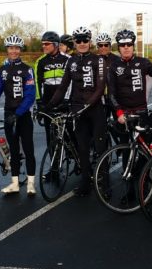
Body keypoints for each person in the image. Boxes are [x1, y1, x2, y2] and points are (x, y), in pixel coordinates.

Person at [46, 26, 107, 196]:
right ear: (74, 42)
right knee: (82, 149)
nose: (81, 43)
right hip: (77, 110)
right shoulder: (71, 61)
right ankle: (85, 183)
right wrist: (48, 105)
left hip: (95, 110)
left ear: (90, 41)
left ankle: (105, 183)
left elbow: (100, 87)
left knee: (101, 147)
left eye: (84, 40)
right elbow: (63, 86)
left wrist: (87, 105)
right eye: (78, 40)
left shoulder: (99, 60)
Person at [0, 35, 37, 195]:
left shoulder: (28, 69)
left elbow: (30, 96)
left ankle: (31, 183)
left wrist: (19, 113)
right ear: (7, 49)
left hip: (23, 115)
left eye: (16, 48)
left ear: (20, 50)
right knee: (13, 150)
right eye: (10, 48)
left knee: (28, 149)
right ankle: (14, 183)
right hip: (9, 113)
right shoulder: (2, 70)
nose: (13, 51)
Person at [108, 29, 152, 137]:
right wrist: (119, 112)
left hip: (141, 112)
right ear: (119, 48)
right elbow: (111, 93)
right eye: (123, 45)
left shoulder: (143, 62)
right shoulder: (114, 66)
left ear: (133, 46)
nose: (126, 47)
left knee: (146, 148)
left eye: (129, 44)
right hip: (124, 114)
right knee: (126, 149)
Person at [35, 31, 68, 146]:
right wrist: (39, 102)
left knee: (69, 134)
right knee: (50, 136)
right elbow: (37, 82)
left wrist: (67, 100)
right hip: (48, 102)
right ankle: (54, 163)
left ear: (56, 44)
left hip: (64, 100)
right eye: (43, 44)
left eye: (47, 44)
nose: (44, 46)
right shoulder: (40, 61)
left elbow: (71, 82)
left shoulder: (67, 59)